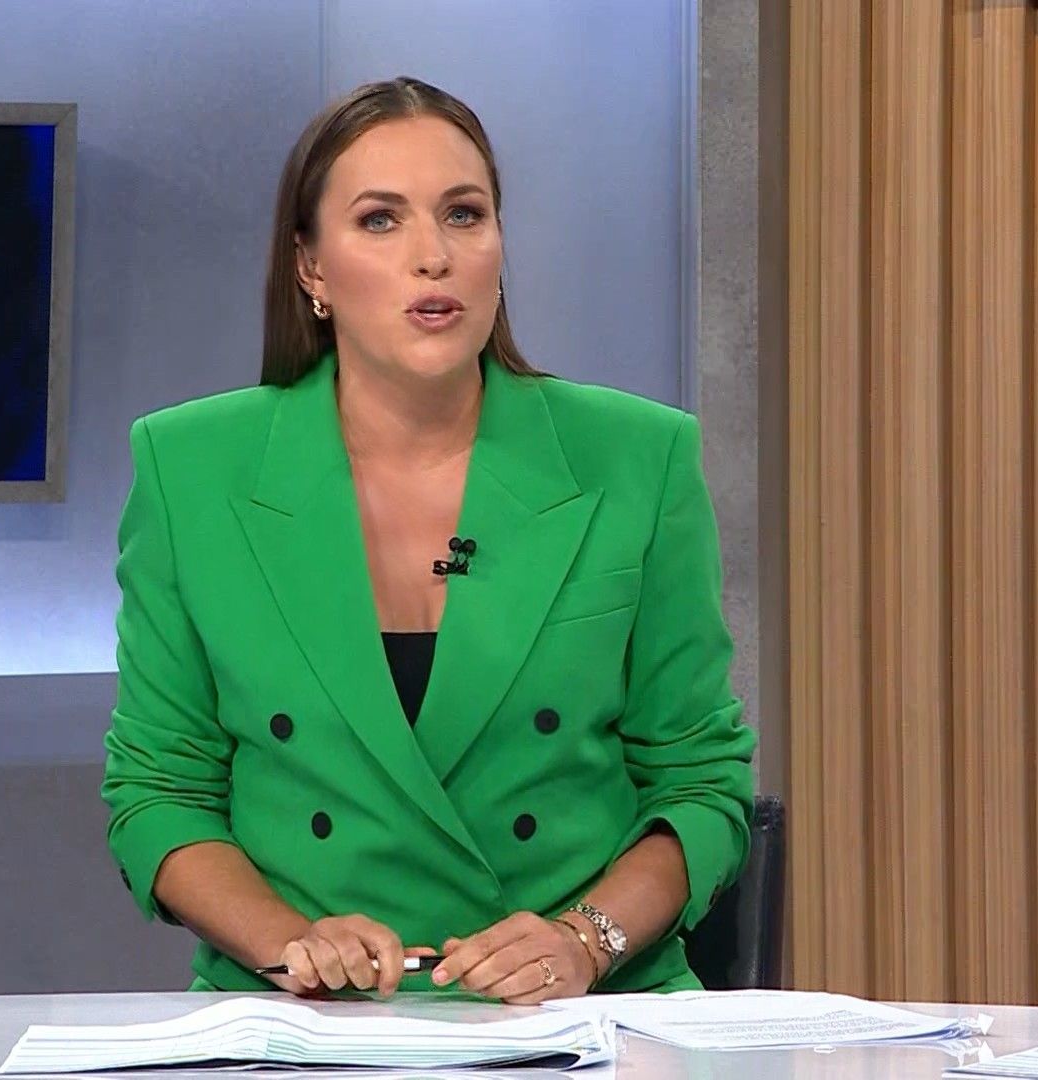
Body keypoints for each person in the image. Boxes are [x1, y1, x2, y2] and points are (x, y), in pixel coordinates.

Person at [101, 76, 754, 1003]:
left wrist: (584, 941)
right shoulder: (190, 468)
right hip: (306, 1022)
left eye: (463, 215)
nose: (433, 257)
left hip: (579, 1010)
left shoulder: (638, 457)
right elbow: (160, 793)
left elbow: (699, 781)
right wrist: (292, 945)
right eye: (380, 220)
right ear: (311, 268)